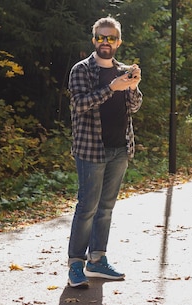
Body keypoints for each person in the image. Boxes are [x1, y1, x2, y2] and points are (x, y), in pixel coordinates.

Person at [66, 17, 143, 288]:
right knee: (87, 207)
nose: (105, 42)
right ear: (94, 40)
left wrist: (132, 86)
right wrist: (112, 87)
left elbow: (133, 107)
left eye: (111, 38)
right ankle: (76, 264)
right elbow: (80, 105)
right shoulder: (82, 70)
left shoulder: (123, 71)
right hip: (90, 149)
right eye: (101, 37)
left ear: (118, 42)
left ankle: (97, 260)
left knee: (106, 208)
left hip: (120, 148)